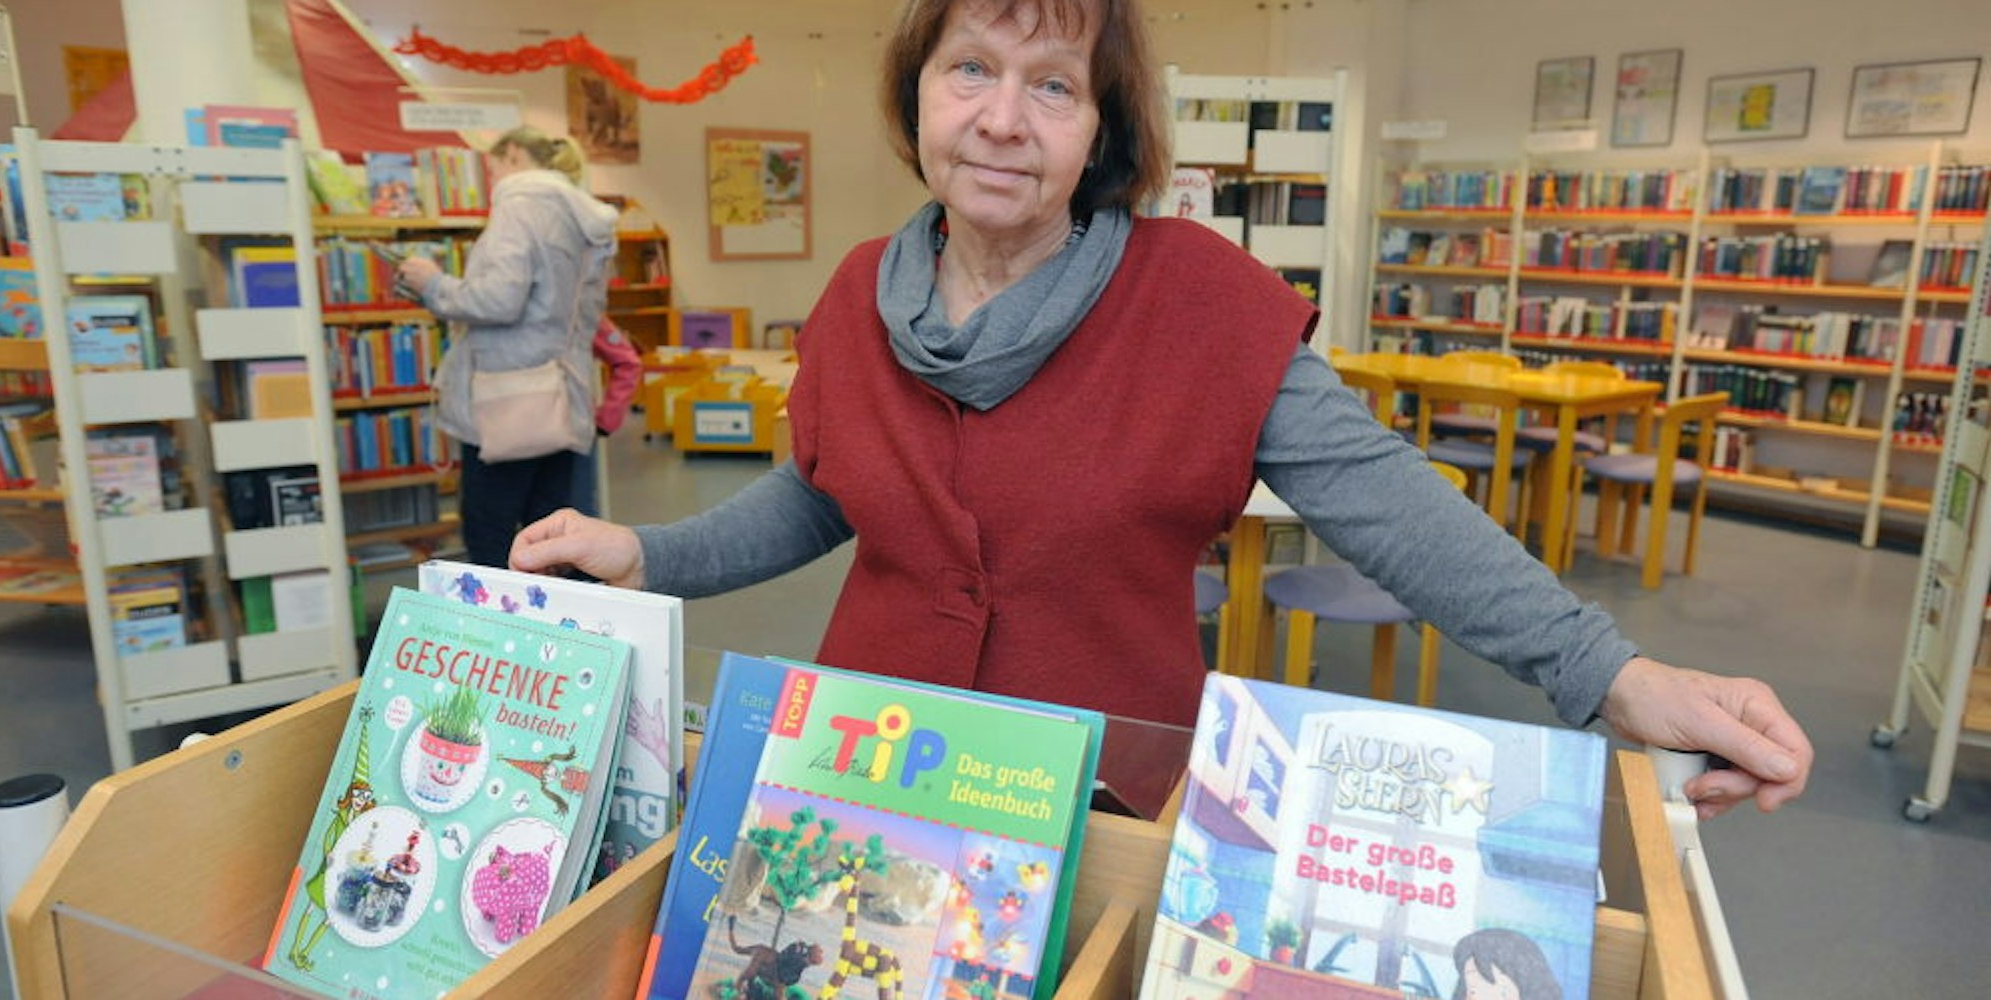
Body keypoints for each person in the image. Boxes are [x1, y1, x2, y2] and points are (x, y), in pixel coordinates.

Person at [510, 0, 1811, 819]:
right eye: (970, 68)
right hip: (860, 772)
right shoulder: (860, 292)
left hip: (1102, 800)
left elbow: (1389, 502)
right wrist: (647, 553)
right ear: (917, 95)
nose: (1002, 119)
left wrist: (1610, 676)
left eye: (1052, 85)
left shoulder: (1202, 303)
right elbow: (819, 491)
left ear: (1102, 129)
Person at [399, 126, 619, 567]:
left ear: (513, 154)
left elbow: (499, 299)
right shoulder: (585, 216)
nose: (492, 179)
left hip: (507, 399)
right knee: (550, 531)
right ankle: (552, 612)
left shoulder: (520, 206)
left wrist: (433, 284)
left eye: (492, 167)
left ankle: (499, 614)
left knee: (490, 531)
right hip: (563, 392)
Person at [570, 316, 645, 517]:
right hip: (506, 438)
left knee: (577, 516)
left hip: (573, 435)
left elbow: (627, 362)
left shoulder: (581, 310)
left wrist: (607, 419)